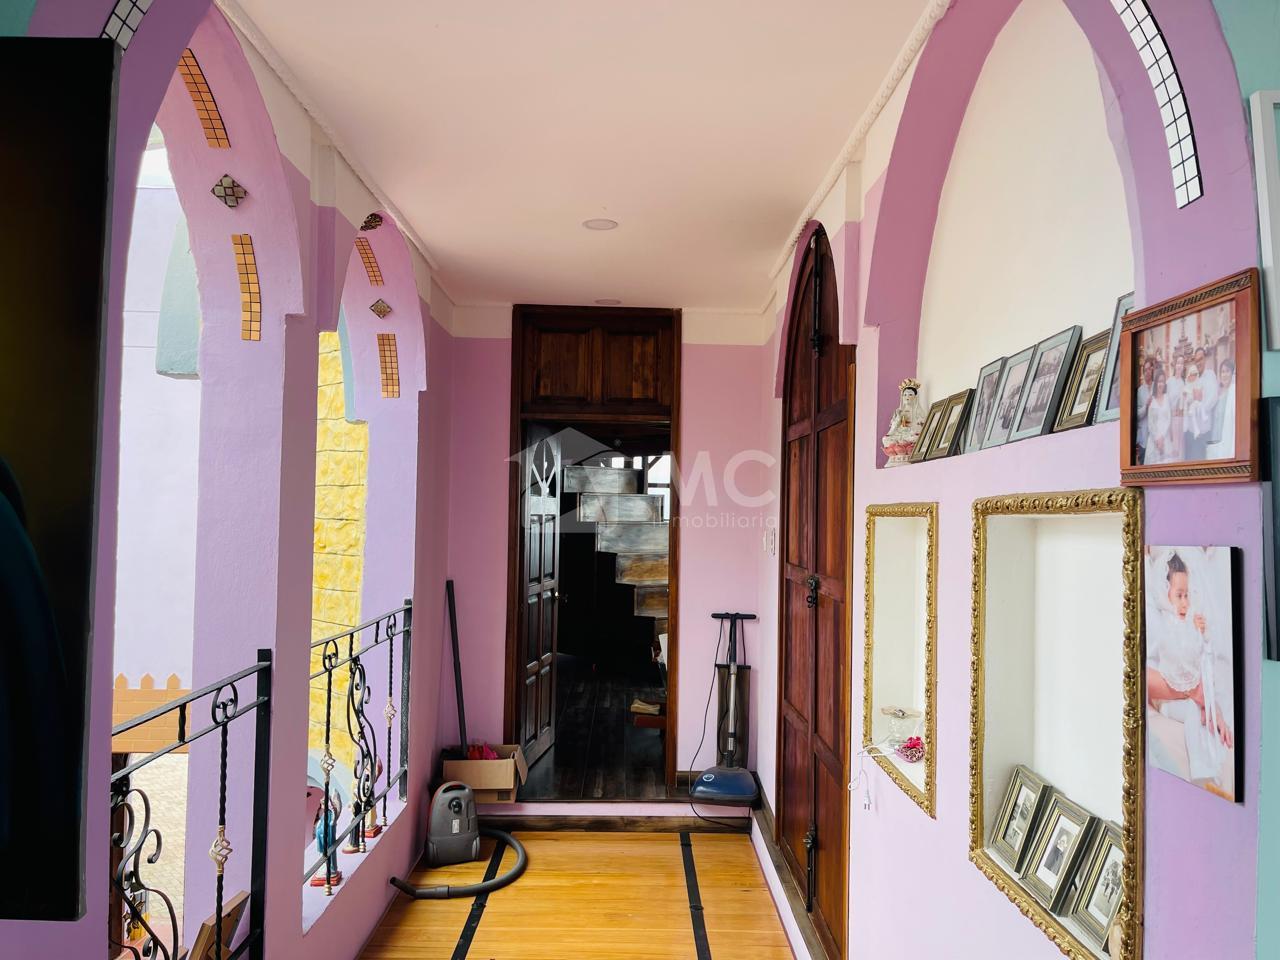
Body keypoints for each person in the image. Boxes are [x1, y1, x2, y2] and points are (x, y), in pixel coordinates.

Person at [1146, 551, 1232, 784]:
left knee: (1202, 715)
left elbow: (1200, 657)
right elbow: (1174, 663)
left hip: (1191, 693)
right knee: (1195, 714)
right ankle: (1202, 769)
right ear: (1166, 594)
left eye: (1186, 595)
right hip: (1170, 700)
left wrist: (1200, 633)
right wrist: (1199, 697)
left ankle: (1212, 763)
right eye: (1179, 595)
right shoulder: (1167, 628)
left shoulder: (1187, 623)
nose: (1184, 602)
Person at [1182, 363, 1217, 461]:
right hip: (1191, 429)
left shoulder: (1208, 377)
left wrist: (1198, 399)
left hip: (1203, 428)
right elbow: (1185, 402)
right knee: (1193, 457)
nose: (1193, 376)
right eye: (1191, 375)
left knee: (1202, 457)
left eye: (1195, 374)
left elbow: (1210, 398)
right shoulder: (1187, 386)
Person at [1206, 359, 1236, 460]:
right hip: (1215, 440)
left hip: (1227, 440)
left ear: (1232, 373)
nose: (1224, 374)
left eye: (1227, 371)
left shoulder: (1233, 393)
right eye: (1222, 372)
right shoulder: (1217, 394)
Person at [1143, 370, 1173, 465]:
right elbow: (1150, 422)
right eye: (1159, 381)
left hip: (1165, 438)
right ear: (1156, 383)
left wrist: (1162, 437)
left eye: (1163, 381)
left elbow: (1169, 419)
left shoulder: (1167, 398)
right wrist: (1157, 438)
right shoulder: (1151, 399)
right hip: (1154, 439)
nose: (1161, 384)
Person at [1135, 358, 1155, 464]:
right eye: (1145, 370)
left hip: (1157, 437)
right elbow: (1136, 415)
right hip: (1144, 439)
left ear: (1152, 370)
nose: (1147, 372)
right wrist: (1146, 406)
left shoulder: (1158, 387)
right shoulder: (1140, 391)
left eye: (1149, 369)